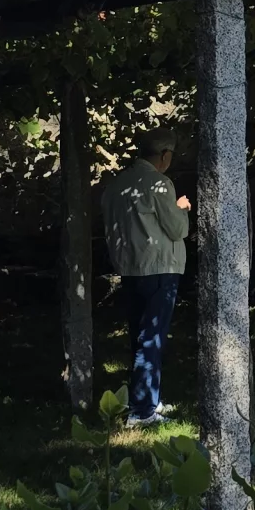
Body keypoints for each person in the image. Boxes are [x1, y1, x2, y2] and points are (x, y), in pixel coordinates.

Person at [101, 127, 193, 429]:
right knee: (151, 338)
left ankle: (145, 396)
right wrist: (182, 209)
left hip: (129, 268)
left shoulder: (116, 185)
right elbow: (177, 230)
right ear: (164, 156)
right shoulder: (159, 184)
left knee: (137, 336)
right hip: (159, 268)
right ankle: (142, 411)